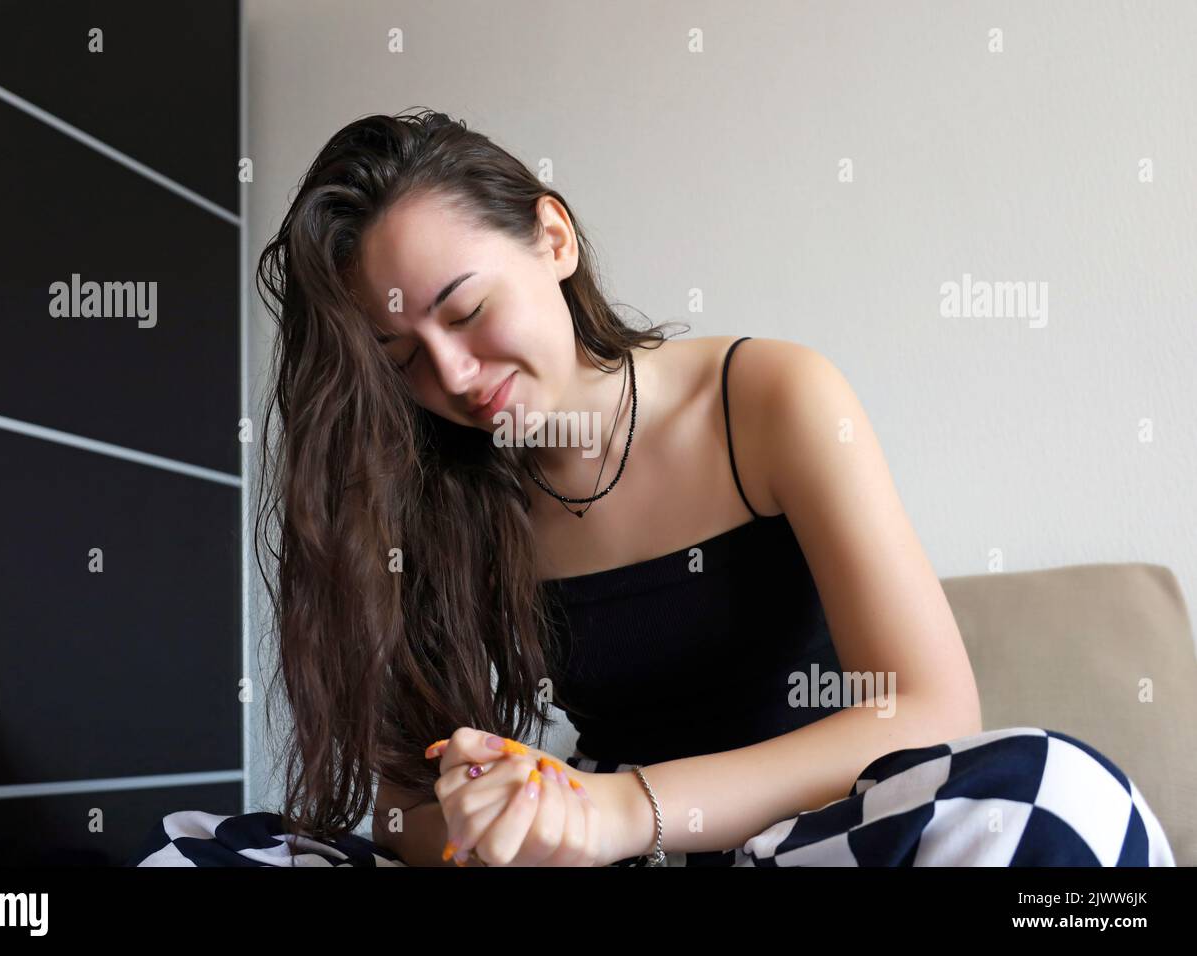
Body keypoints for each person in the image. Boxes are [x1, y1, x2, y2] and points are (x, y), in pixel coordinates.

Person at [130, 109, 1174, 867]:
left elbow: (928, 708)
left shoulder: (767, 396)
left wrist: (622, 808)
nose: (448, 375)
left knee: (1059, 793)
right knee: (195, 856)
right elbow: (405, 814)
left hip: (815, 834)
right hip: (607, 857)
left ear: (551, 236)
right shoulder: (435, 483)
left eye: (465, 308)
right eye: (401, 353)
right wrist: (499, 810)